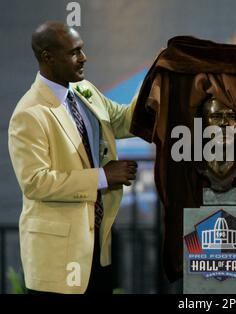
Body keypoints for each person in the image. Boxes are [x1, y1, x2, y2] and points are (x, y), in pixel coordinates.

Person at [8, 21, 138, 294]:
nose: (84, 58)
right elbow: (36, 183)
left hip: (96, 251)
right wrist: (104, 176)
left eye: (83, 50)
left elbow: (126, 120)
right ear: (48, 58)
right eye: (74, 52)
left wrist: (157, 78)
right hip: (59, 258)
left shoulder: (83, 91)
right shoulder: (29, 113)